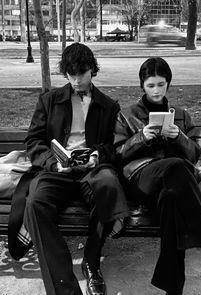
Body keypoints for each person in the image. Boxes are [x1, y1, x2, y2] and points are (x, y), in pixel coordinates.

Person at [8, 42, 129, 295]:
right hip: (56, 171)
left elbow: (112, 146)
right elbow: (34, 141)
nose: (76, 81)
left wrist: (97, 154)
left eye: (81, 74)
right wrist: (53, 162)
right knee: (36, 202)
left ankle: (92, 264)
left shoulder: (108, 105)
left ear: (92, 71)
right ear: (65, 73)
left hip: (92, 171)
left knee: (108, 187)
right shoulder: (49, 101)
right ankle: (64, 288)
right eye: (71, 75)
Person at [114, 57, 201, 295]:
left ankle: (173, 288)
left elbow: (194, 154)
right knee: (176, 167)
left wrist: (178, 136)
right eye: (151, 85)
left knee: (172, 199)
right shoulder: (126, 115)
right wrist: (141, 138)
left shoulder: (180, 115)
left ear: (168, 83)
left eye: (161, 84)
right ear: (142, 86)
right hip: (142, 181)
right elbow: (117, 155)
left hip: (175, 188)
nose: (156, 90)